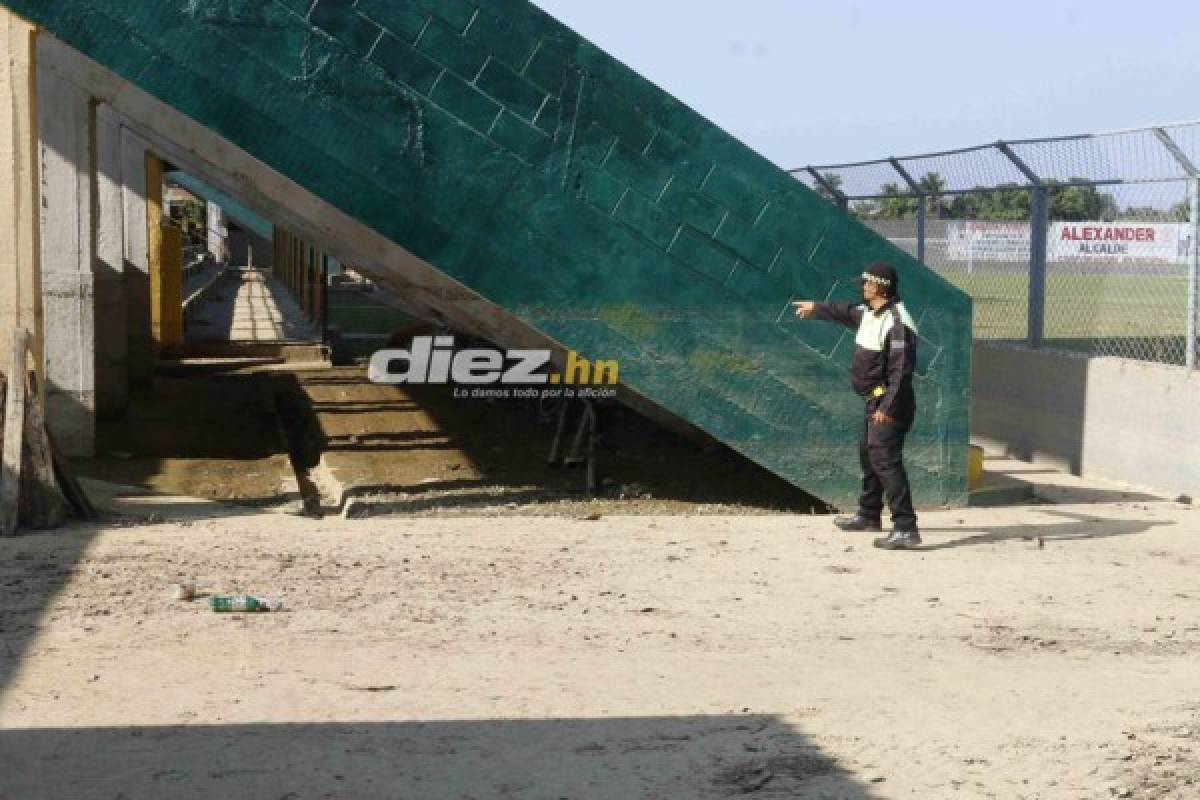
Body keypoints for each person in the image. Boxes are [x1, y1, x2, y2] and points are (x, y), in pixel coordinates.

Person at [792, 262, 921, 550]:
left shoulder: (898, 323)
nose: (862, 288)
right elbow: (844, 311)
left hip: (890, 404)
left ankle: (905, 527)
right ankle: (869, 514)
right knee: (869, 455)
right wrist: (816, 307)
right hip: (873, 401)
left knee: (886, 462)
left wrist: (886, 408)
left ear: (880, 287)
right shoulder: (869, 313)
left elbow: (901, 373)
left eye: (866, 283)